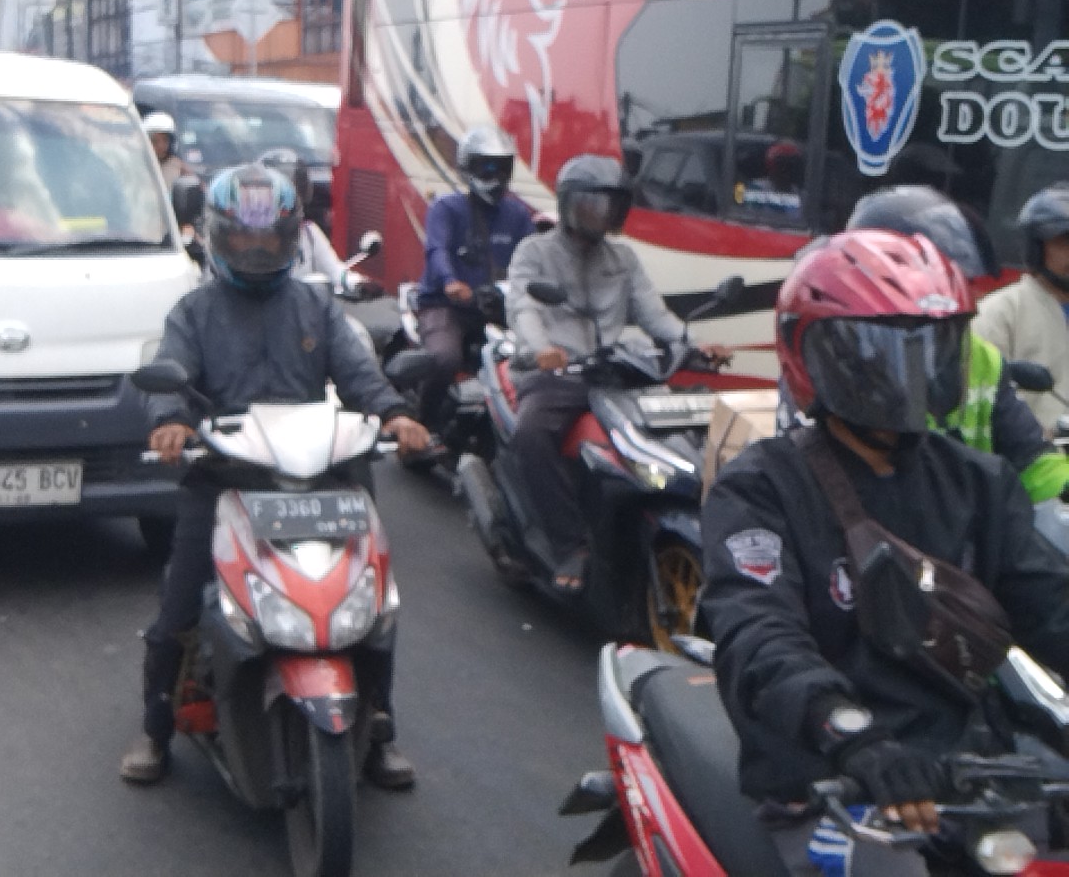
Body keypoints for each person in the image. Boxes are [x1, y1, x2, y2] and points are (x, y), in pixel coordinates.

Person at [702, 229, 1069, 875]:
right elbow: (758, 633)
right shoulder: (762, 487)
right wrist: (851, 734)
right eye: (883, 353)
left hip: (965, 775)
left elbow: (1053, 606)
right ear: (819, 356)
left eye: (929, 350)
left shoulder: (979, 483)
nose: (911, 375)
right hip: (829, 778)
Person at [120, 164, 431, 788]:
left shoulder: (316, 303)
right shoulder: (194, 311)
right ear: (218, 237)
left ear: (291, 237)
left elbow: (358, 373)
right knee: (179, 607)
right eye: (242, 239)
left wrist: (395, 415)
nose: (257, 250)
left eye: (270, 239)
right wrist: (172, 421)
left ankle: (378, 727)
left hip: (321, 476)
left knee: (370, 604)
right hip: (226, 477)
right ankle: (156, 726)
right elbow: (168, 370)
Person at [506, 154, 731, 591]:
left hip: (613, 371)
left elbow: (656, 317)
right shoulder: (534, 252)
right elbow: (522, 308)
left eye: (611, 205)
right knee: (531, 434)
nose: (601, 213)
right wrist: (541, 350)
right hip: (558, 373)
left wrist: (695, 346)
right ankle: (570, 543)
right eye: (593, 203)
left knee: (676, 427)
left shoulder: (623, 259)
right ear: (571, 204)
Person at [845, 185, 1069, 505]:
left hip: (967, 529)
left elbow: (1033, 459)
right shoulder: (844, 357)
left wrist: (1063, 488)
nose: (969, 296)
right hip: (873, 530)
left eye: (963, 281)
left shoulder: (980, 357)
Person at [416, 125, 537, 421]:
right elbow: (437, 250)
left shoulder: (518, 215)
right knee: (445, 359)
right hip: (448, 307)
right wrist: (450, 281)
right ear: (467, 168)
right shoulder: (446, 209)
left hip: (497, 307)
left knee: (536, 359)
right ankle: (423, 425)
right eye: (487, 168)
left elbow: (534, 257)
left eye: (502, 168)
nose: (495, 177)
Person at [974, 183, 1069, 435]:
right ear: (1036, 248)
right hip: (1028, 461)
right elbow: (979, 402)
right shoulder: (999, 313)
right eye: (1064, 242)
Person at [258, 151, 382, 298]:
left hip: (305, 311)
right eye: (280, 191)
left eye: (294, 189)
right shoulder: (252, 236)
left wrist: (358, 283)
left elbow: (335, 270)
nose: (288, 198)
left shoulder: (308, 231)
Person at [143, 111, 182, 188]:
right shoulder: (136, 166)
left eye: (165, 140)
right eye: (155, 141)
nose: (161, 146)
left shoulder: (177, 167)